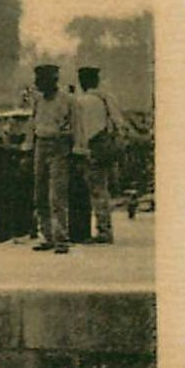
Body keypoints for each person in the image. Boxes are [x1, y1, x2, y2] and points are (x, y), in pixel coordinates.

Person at [23, 63, 76, 254]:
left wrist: (76, 149)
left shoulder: (68, 100)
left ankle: (62, 239)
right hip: (40, 145)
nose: (38, 84)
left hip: (59, 145)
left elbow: (76, 127)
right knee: (40, 193)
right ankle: (48, 237)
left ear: (52, 81)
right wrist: (28, 150)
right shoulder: (38, 101)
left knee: (57, 195)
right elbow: (32, 125)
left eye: (41, 81)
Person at [73, 66, 118, 244]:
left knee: (96, 191)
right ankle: (105, 228)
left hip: (91, 148)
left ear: (82, 82)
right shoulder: (106, 98)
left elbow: (82, 130)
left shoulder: (82, 102)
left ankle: (104, 232)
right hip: (106, 147)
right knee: (103, 189)